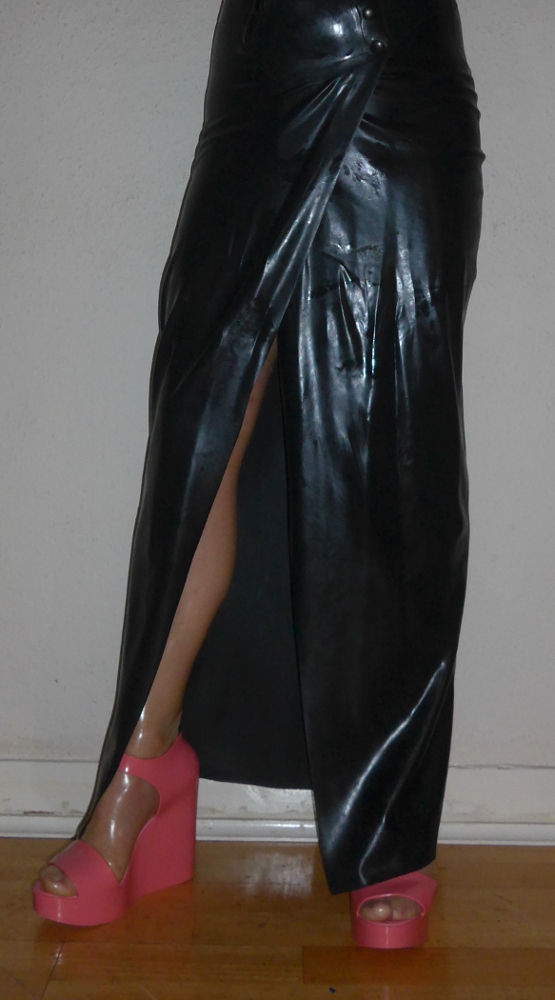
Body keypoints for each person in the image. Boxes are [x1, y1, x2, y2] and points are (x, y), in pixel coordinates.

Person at [32, 0, 484, 947]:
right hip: (258, 73)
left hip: (407, 84)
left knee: (392, 446)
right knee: (202, 427)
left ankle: (386, 825)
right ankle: (144, 763)